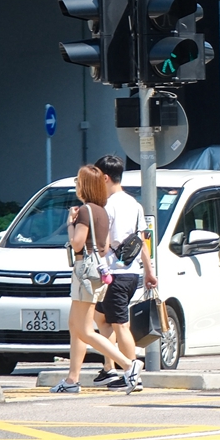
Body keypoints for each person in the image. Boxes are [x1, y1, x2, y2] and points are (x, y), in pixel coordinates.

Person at [50, 165, 143, 395]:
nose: (76, 186)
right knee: (76, 327)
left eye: (78, 182)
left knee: (85, 331)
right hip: (97, 272)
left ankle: (129, 365)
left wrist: (71, 224)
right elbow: (105, 243)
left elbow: (77, 243)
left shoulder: (84, 211)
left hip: (85, 272)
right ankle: (71, 380)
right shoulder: (101, 210)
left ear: (86, 185)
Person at [90, 155, 158, 392]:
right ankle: (109, 368)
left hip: (114, 275)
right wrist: (149, 272)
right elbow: (142, 242)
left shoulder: (106, 206)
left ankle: (132, 375)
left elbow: (103, 243)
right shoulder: (135, 204)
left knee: (120, 325)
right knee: (101, 319)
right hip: (131, 274)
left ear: (105, 177)